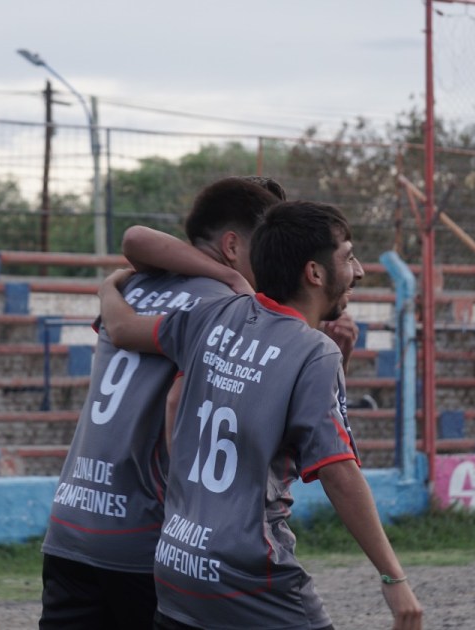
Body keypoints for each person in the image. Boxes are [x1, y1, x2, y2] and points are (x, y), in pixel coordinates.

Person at [99, 200, 423, 630]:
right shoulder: (315, 351)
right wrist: (394, 577)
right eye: (348, 257)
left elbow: (125, 331)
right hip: (248, 573)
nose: (359, 271)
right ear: (314, 273)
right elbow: (338, 471)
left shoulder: (215, 314)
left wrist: (108, 289)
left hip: (179, 562)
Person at [38, 176, 286, 629]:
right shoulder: (224, 308)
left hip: (72, 522)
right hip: (143, 534)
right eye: (265, 247)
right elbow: (178, 404)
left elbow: (135, 240)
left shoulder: (135, 286)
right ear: (233, 245)